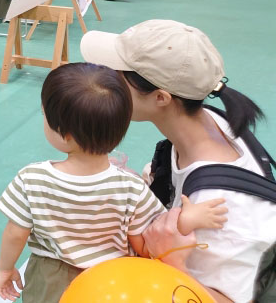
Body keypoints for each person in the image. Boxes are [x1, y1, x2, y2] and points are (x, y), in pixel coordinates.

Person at [0, 62, 227, 302]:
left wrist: (5, 268)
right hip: (110, 282)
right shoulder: (131, 188)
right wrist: (185, 219)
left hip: (50, 278)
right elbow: (143, 243)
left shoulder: (31, 178)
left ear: (64, 133)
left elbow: (16, 233)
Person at [81, 19, 276, 303]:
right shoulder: (212, 120)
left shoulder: (223, 204)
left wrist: (171, 261)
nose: (103, 79)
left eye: (116, 75)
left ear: (161, 97)